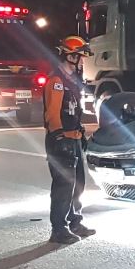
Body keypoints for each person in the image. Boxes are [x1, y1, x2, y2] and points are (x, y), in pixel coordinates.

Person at [44, 36, 96, 244]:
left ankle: (75, 222)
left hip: (73, 139)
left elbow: (73, 111)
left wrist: (79, 132)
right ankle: (59, 229)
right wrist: (59, 137)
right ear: (71, 56)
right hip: (60, 140)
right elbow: (52, 114)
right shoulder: (56, 82)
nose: (83, 62)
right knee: (63, 187)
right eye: (80, 57)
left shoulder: (72, 81)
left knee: (78, 185)